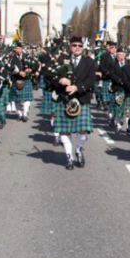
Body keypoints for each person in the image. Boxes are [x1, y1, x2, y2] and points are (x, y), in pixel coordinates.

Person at [52, 35, 96, 170]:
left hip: (81, 99)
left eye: (80, 46)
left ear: (83, 48)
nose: (77, 48)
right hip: (64, 99)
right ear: (70, 47)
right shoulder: (61, 60)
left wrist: (77, 87)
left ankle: (78, 149)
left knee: (83, 130)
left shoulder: (89, 62)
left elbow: (91, 80)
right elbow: (50, 78)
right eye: (74, 45)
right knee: (64, 131)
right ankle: (69, 156)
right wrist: (59, 80)